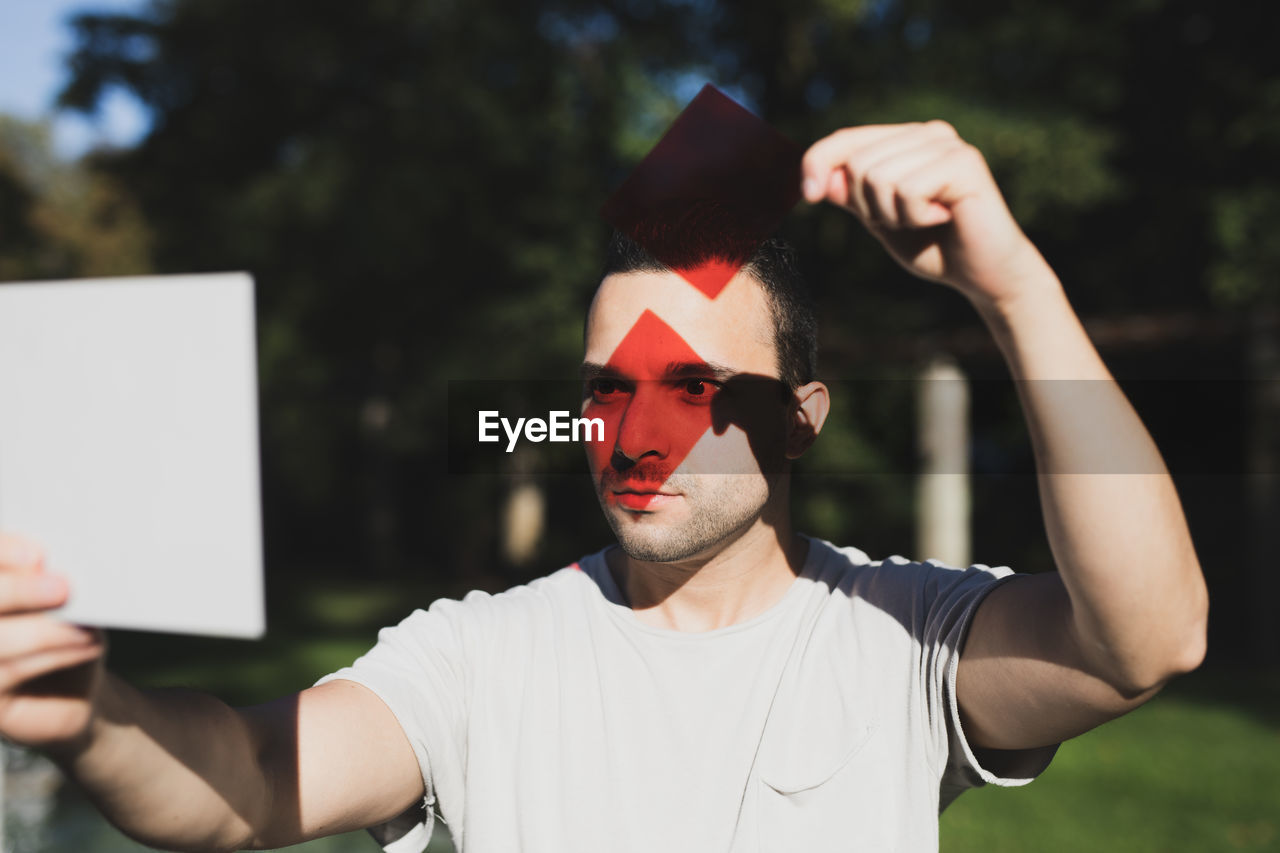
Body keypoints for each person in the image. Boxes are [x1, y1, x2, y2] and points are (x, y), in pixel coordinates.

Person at [0, 121, 1207, 853]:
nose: (638, 430)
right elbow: (249, 787)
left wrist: (1011, 289)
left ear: (797, 419)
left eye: (692, 387)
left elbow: (1142, 639)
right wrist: (93, 715)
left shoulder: (902, 637)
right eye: (606, 386)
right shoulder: (477, 657)